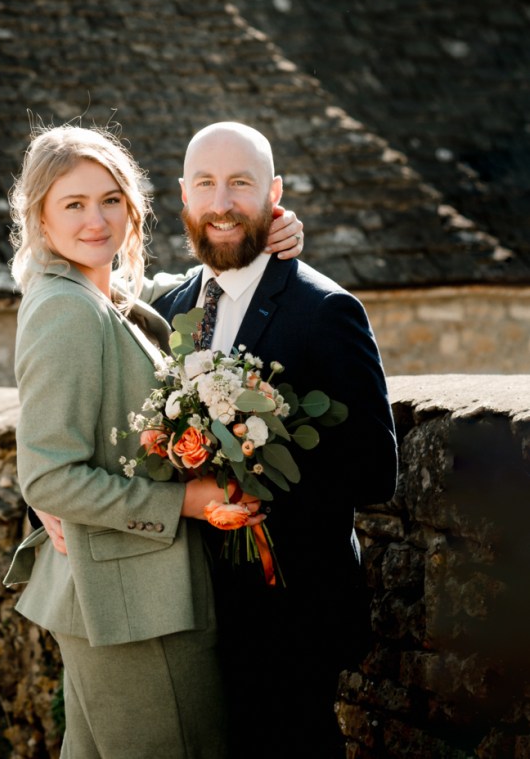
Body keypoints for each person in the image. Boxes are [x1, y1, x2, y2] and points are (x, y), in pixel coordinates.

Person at [3, 125, 299, 759]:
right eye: (73, 204)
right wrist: (185, 503)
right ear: (41, 217)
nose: (96, 220)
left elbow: (174, 291)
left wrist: (264, 232)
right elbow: (49, 477)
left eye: (110, 199)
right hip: (134, 606)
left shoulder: (100, 293)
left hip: (121, 596)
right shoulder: (66, 309)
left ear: (133, 206)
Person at [149, 121, 399, 757]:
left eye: (241, 183)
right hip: (197, 606)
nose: (222, 201)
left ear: (274, 194)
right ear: (184, 195)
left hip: (293, 610)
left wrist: (253, 466)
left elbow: (375, 470)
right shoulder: (174, 305)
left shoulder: (323, 310)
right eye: (206, 183)